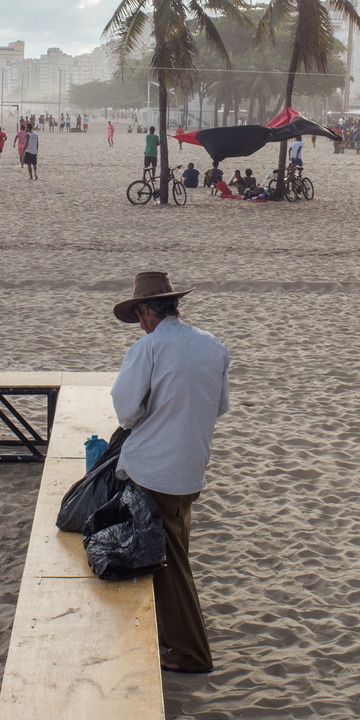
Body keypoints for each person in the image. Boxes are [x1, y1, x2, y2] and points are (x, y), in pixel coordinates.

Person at [109, 272, 229, 674]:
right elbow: (220, 405)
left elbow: (127, 412)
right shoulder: (212, 344)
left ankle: (191, 653)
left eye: (139, 315)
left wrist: (155, 415)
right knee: (175, 552)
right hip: (191, 468)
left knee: (169, 567)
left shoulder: (148, 348)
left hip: (155, 471)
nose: (139, 324)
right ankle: (171, 635)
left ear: (146, 310)